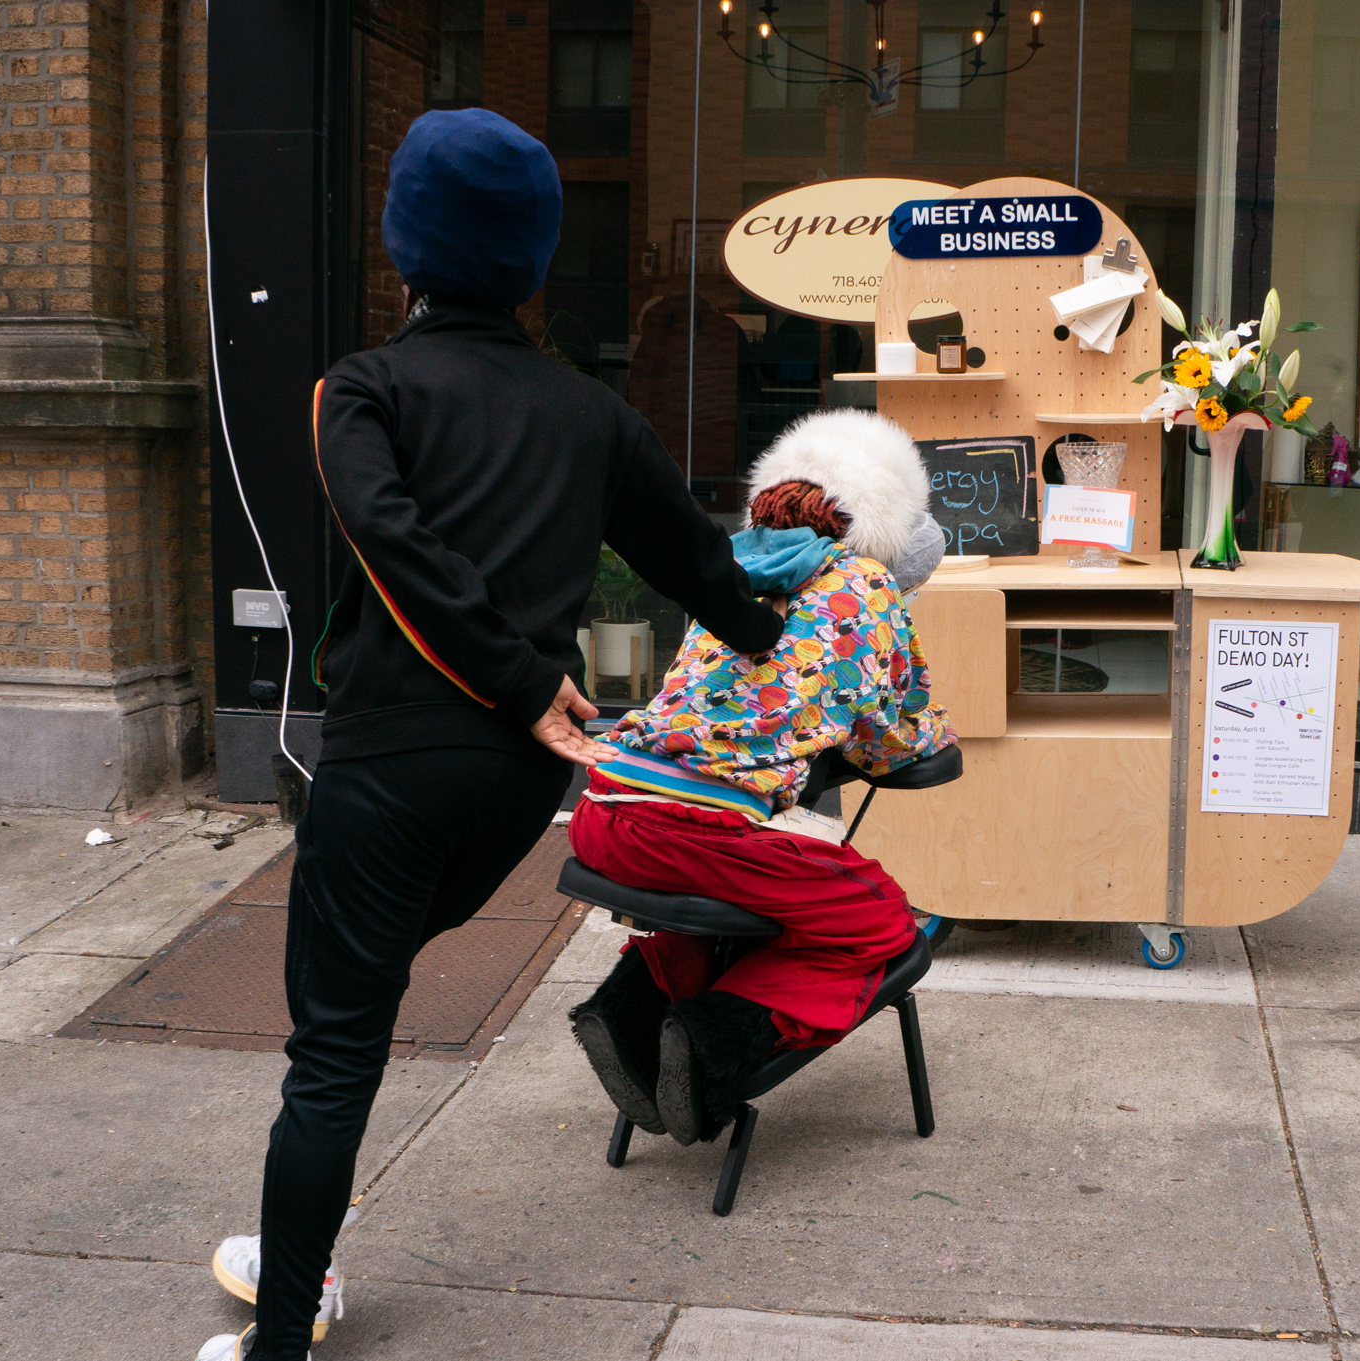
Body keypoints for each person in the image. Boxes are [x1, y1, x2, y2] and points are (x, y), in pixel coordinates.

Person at [197, 109, 784, 1361]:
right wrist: (801, 624)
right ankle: (295, 1253)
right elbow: (707, 572)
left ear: (404, 243)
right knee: (363, 999)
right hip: (515, 789)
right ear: (533, 257)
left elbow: (393, 545)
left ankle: (283, 1329)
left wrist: (520, 679)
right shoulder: (596, 416)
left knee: (333, 1051)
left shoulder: (358, 387)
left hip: (396, 768)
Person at [567, 408, 953, 1146]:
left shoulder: (732, 565)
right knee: (879, 923)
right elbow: (893, 739)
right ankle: (712, 1049)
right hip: (695, 827)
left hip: (607, 804)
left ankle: (628, 1014)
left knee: (731, 905)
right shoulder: (867, 589)